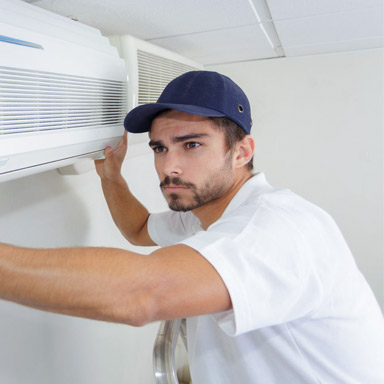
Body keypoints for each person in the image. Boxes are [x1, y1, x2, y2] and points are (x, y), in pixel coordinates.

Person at [0, 70, 383, 383]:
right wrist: (111, 177)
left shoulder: (278, 227)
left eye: (192, 145)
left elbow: (140, 295)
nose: (169, 167)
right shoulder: (207, 215)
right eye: (160, 148)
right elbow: (139, 229)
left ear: (242, 151)